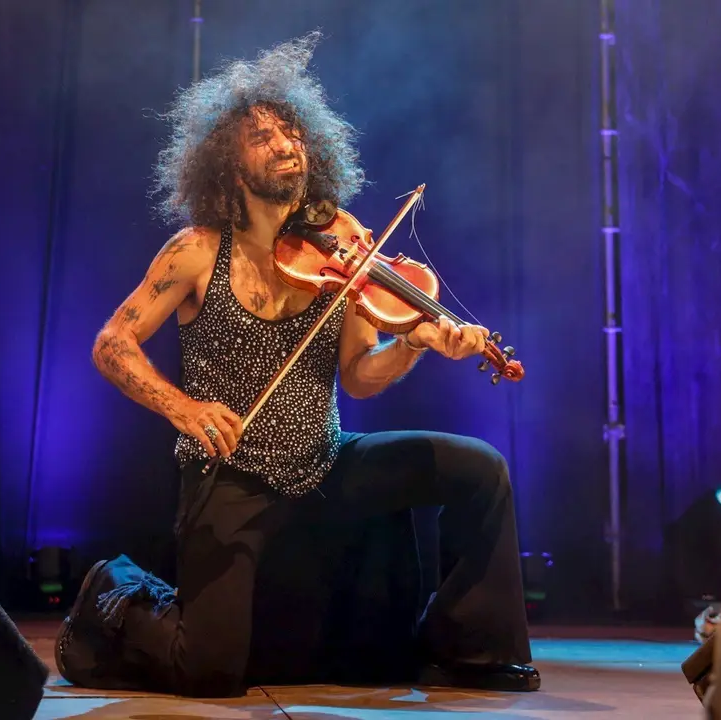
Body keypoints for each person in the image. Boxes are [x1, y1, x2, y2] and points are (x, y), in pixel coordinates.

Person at [54, 31, 538, 698]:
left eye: (292, 133)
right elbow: (112, 344)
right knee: (210, 672)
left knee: (478, 468)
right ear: (227, 163)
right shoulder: (197, 252)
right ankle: (115, 591)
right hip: (230, 476)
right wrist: (186, 409)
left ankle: (472, 648)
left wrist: (416, 342)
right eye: (264, 136)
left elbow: (360, 377)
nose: (286, 145)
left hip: (326, 463)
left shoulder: (344, 240)